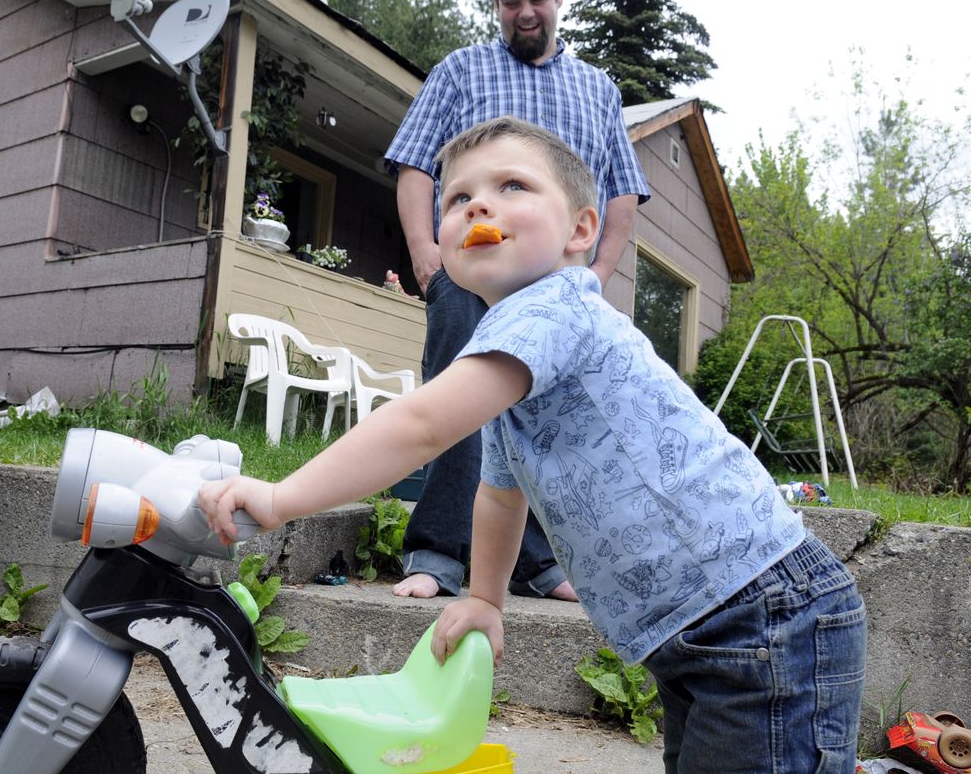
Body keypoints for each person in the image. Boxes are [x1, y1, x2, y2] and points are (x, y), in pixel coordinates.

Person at [201, 117, 868, 774]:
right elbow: (499, 493)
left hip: (761, 616)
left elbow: (423, 426)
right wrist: (487, 598)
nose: (479, 205)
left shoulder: (556, 307)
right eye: (457, 198)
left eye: (513, 185)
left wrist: (282, 496)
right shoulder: (512, 362)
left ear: (581, 230)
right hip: (705, 632)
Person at [384, 0, 650, 600]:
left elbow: (620, 192)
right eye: (510, 2)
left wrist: (599, 274)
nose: (524, 13)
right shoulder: (459, 71)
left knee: (552, 419)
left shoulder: (598, 90)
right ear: (496, 5)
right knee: (455, 403)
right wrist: (426, 254)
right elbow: (415, 164)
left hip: (558, 287)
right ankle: (439, 554)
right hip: (468, 275)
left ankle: (539, 562)